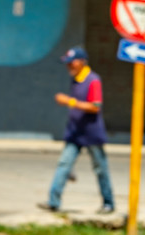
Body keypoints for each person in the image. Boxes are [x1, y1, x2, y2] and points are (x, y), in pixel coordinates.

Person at [37, 47, 115, 214]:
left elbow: (95, 107)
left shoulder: (93, 80)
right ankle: (53, 201)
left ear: (82, 62)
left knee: (100, 168)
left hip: (92, 133)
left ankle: (108, 203)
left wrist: (69, 102)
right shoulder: (76, 79)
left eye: (71, 63)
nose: (69, 67)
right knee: (64, 165)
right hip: (74, 132)